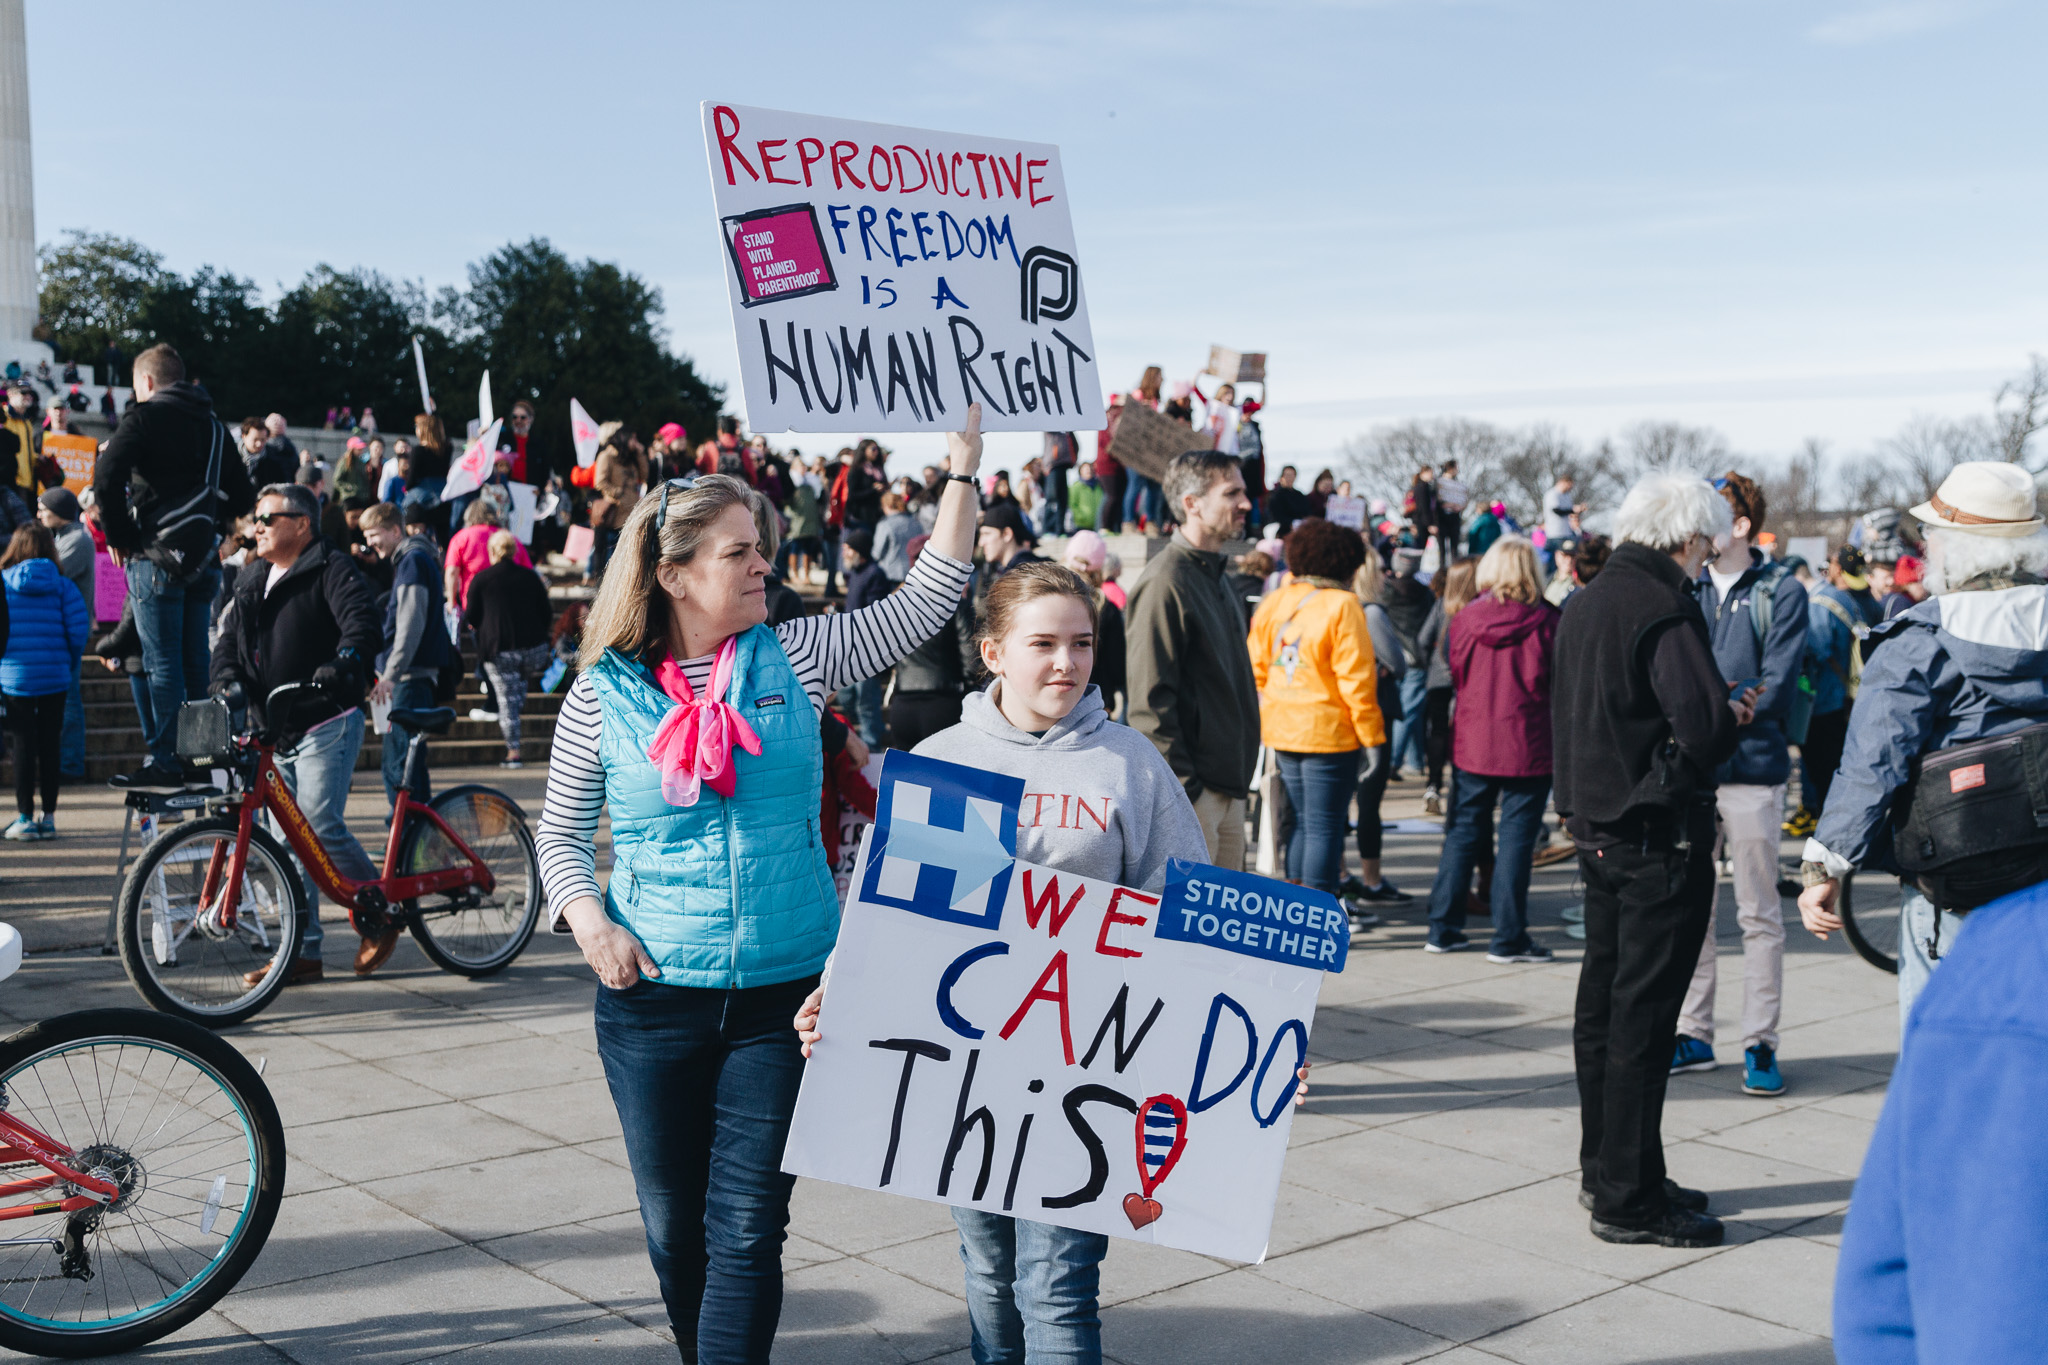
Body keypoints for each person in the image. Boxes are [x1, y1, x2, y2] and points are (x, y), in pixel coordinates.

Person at [531, 403, 987, 1361]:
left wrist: (961, 467)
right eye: (739, 551)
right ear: (672, 574)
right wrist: (591, 926)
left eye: (761, 548)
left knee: (746, 1228)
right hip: (651, 1000)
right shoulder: (599, 692)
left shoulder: (803, 656)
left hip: (790, 997)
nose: (761, 565)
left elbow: (930, 596)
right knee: (674, 1230)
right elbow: (561, 835)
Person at [793, 562, 1302, 1365]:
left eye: (1081, 642)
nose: (1066, 662)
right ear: (993, 652)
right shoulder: (948, 759)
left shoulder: (1129, 765)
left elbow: (1191, 923)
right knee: (990, 1272)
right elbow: (900, 923)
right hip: (962, 1071)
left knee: (1058, 1287)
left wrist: (1265, 1045)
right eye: (1043, 644)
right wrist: (837, 996)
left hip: (1085, 1081)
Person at [1553, 473, 1750, 1248]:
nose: (1708, 559)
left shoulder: (1589, 598)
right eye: (1707, 544)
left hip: (1598, 824)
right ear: (1689, 536)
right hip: (1651, 832)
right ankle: (1627, 1197)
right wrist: (1730, 712)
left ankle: (1611, 1167)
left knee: (1604, 1009)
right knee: (1640, 1017)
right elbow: (1702, 725)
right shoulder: (1663, 604)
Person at [1796, 461, 2048, 1030]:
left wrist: (1824, 866)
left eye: (1932, 532)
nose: (1924, 543)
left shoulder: (1921, 638)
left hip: (1955, 878)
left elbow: (1874, 763)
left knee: (1945, 1054)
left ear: (1957, 546)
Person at [1668, 473, 1809, 1095]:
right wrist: (1722, 701)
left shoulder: (1780, 589)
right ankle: (1694, 1032)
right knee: (1693, 910)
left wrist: (1714, 704)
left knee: (1758, 914)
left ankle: (1759, 1041)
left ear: (1742, 525)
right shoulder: (1686, 585)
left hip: (1752, 768)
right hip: (1695, 771)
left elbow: (1776, 684)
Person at [213, 483, 384, 986]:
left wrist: (345, 659)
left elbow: (361, 623)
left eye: (268, 518)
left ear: (302, 524)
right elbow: (227, 642)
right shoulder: (252, 577)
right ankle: (302, 953)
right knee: (290, 844)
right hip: (274, 728)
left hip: (324, 718)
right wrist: (225, 679)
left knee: (318, 825)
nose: (257, 527)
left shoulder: (330, 566)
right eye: (255, 518)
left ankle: (380, 911)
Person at [93, 344, 258, 791]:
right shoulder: (213, 426)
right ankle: (200, 759)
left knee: (160, 661)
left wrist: (121, 539)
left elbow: (106, 478)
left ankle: (167, 760)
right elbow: (244, 496)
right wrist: (213, 523)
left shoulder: (143, 418)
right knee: (194, 661)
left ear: (146, 382)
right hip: (202, 560)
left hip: (154, 557)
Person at [1421, 537, 1560, 962]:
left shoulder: (1463, 620)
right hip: (1528, 741)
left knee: (1462, 834)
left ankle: (1443, 928)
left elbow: (1455, 672)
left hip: (1475, 740)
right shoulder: (1549, 621)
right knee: (1517, 841)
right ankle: (1509, 937)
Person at [1127, 450, 1258, 868]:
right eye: (1231, 492)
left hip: (1227, 791)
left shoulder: (1216, 576)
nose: (1245, 503)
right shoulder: (1166, 580)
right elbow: (1149, 705)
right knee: (1186, 931)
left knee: (1222, 932)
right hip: (1194, 798)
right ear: (1191, 504)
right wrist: (1186, 790)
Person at [1249, 517, 1384, 902]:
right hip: (1330, 732)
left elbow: (1257, 669)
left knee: (1301, 824)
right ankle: (1319, 912)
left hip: (1282, 730)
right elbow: (1356, 680)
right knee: (1325, 826)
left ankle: (1295, 911)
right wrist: (1373, 739)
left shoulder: (1275, 601)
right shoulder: (1344, 606)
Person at [364, 494, 455, 810]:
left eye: (374, 535)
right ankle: (420, 844)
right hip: (414, 677)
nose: (370, 543)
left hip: (409, 679)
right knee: (410, 767)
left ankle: (405, 841)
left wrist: (390, 674)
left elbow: (410, 622)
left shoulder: (412, 561)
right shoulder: (416, 558)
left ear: (394, 530)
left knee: (398, 767)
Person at [1, 525, 88, 840]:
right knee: (51, 743)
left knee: (22, 745)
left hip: (15, 675)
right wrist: (68, 659)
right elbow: (78, 632)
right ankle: (48, 817)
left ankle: (24, 817)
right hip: (54, 674)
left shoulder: (4, 583)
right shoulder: (63, 586)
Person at [1783, 544, 1867, 838]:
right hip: (1846, 699)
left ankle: (1830, 840)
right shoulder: (1847, 600)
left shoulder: (1818, 603)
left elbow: (1816, 649)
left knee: (1822, 775)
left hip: (1821, 703)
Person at [1348, 549, 1411, 906]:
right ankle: (1371, 880)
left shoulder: (1335, 607)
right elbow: (1398, 663)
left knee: (1340, 807)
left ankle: (1345, 876)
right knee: (1369, 803)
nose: (1388, 575)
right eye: (1382, 569)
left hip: (1342, 716)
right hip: (1373, 713)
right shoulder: (1370, 612)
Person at [462, 529, 554, 769]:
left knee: (506, 699)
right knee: (516, 690)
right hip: (532, 649)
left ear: (492, 551)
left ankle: (513, 751)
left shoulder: (482, 579)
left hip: (498, 648)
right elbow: (546, 613)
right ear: (514, 551)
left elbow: (470, 615)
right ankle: (516, 719)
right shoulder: (530, 577)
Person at [35, 489, 93, 779]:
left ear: (59, 511)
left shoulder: (78, 540)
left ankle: (71, 764)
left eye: (43, 508)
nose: (39, 514)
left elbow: (52, 574)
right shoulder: (60, 538)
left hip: (69, 630)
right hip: (56, 628)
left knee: (69, 697)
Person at [1415, 556, 1477, 819]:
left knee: (1437, 733)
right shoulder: (1476, 607)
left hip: (1439, 678)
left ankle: (1433, 786)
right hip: (1468, 680)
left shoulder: (1443, 605)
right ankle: (1464, 785)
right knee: (1467, 734)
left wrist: (1429, 663)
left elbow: (1422, 638)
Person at [1380, 546, 1434, 780]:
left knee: (1408, 712)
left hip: (1392, 657)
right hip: (1417, 658)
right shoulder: (1425, 593)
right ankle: (1405, 760)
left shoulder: (1386, 591)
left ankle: (1401, 761)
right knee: (1410, 711)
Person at [1061, 529, 1125, 715]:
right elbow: (1117, 664)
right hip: (1096, 700)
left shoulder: (1046, 599)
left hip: (1055, 696)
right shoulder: (1105, 606)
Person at [836, 528, 890, 748]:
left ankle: (872, 744)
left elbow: (875, 613)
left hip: (867, 651)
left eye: (848, 548)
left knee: (867, 701)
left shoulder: (875, 574)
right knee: (845, 697)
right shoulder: (856, 572)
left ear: (859, 551)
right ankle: (861, 736)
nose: (844, 552)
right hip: (849, 648)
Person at [592, 422, 648, 583]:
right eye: (633, 439)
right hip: (614, 514)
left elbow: (644, 475)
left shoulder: (630, 459)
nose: (635, 442)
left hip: (630, 514)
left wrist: (640, 453)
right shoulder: (607, 456)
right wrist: (618, 493)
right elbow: (600, 482)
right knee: (610, 557)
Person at [870, 490, 920, 584]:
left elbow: (877, 553)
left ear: (887, 506)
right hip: (914, 572)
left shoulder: (885, 525)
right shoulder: (915, 522)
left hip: (891, 574)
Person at [1435, 459, 1470, 554]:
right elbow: (1436, 500)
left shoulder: (1460, 485)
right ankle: (1442, 567)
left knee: (1454, 545)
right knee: (1441, 547)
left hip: (1455, 516)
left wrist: (1460, 507)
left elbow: (1465, 499)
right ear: (1450, 468)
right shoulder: (1438, 482)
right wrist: (1446, 505)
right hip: (1441, 517)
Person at [1265, 465, 1311, 536]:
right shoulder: (1276, 495)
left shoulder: (1299, 495)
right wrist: (1290, 523)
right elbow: (1275, 515)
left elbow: (1306, 511)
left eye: (1292, 475)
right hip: (1282, 528)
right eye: (1287, 475)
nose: (1289, 478)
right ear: (1282, 477)